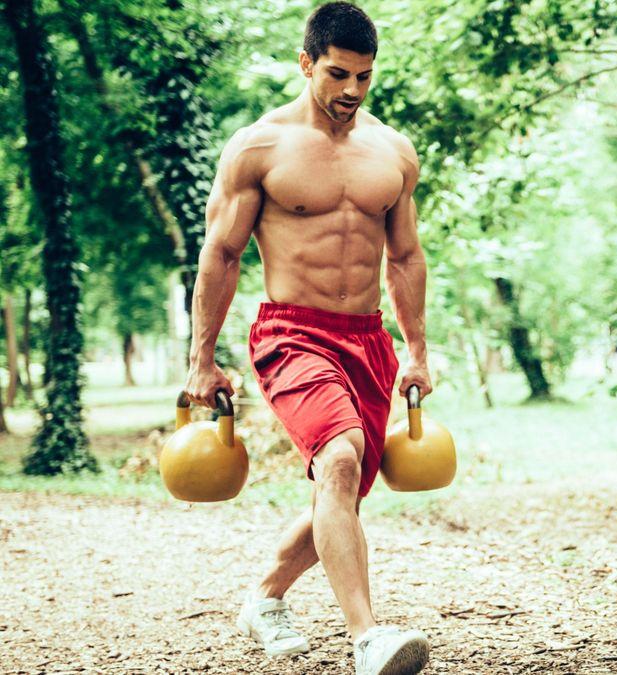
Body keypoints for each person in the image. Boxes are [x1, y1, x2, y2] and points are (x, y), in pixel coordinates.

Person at [183, 3, 431, 674]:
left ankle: (264, 597)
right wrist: (201, 359)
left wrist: (416, 350)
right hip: (292, 333)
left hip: (368, 340)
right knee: (341, 460)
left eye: (364, 77)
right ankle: (368, 637)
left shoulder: (393, 151)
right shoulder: (259, 147)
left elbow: (406, 256)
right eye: (337, 74)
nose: (352, 90)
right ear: (305, 63)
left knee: (340, 489)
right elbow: (222, 254)